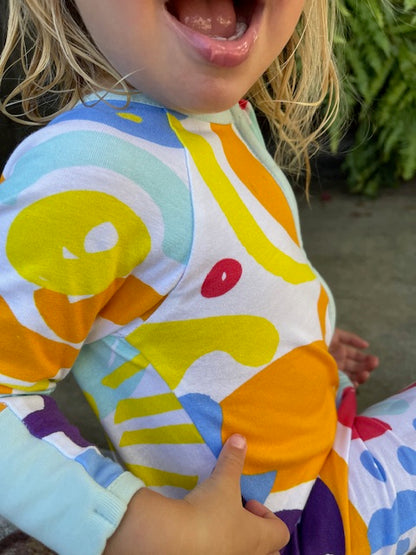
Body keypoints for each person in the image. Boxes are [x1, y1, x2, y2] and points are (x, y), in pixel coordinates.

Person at [0, 1, 414, 553]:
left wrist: (296, 345)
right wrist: (140, 531)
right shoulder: (84, 167)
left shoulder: (217, 116)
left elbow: (202, 290)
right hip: (287, 523)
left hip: (313, 456)